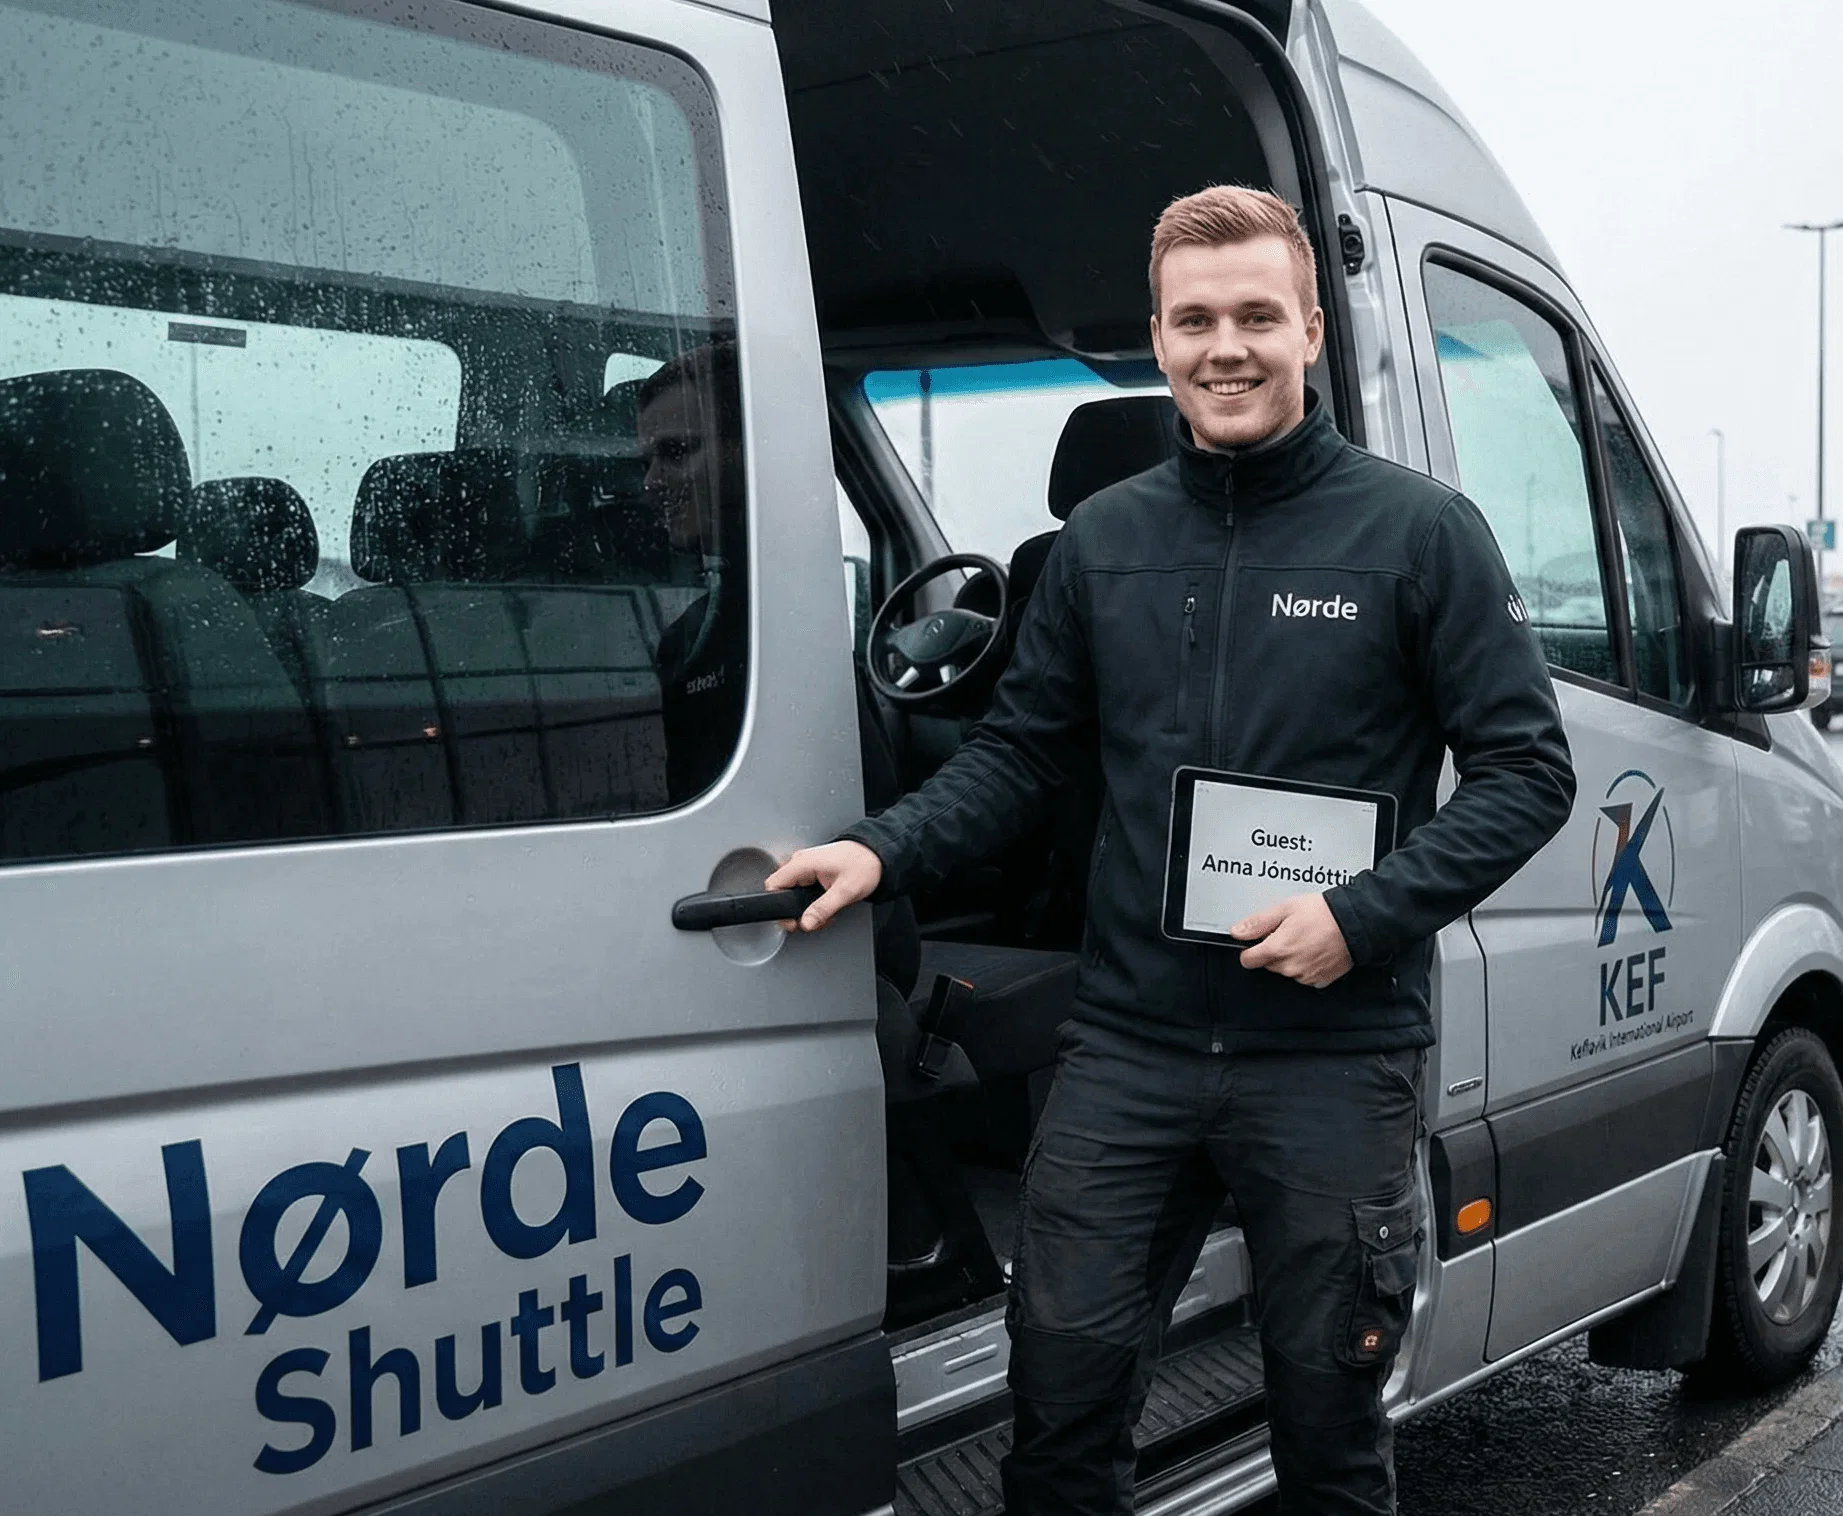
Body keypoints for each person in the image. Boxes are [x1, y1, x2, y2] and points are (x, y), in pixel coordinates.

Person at [768, 185, 1576, 1514]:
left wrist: (1361, 916)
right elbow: (1024, 756)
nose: (1225, 347)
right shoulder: (1102, 544)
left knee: (1330, 1439)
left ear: (1309, 329)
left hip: (1331, 1061)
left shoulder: (1418, 534)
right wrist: (880, 849)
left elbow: (1523, 775)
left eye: (1257, 315)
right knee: (1059, 1419)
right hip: (1129, 1052)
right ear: (1157, 340)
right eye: (1194, 320)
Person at [636, 341, 748, 804]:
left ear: (746, 451)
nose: (651, 483)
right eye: (647, 463)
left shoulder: (789, 614)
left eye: (677, 452)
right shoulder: (685, 638)